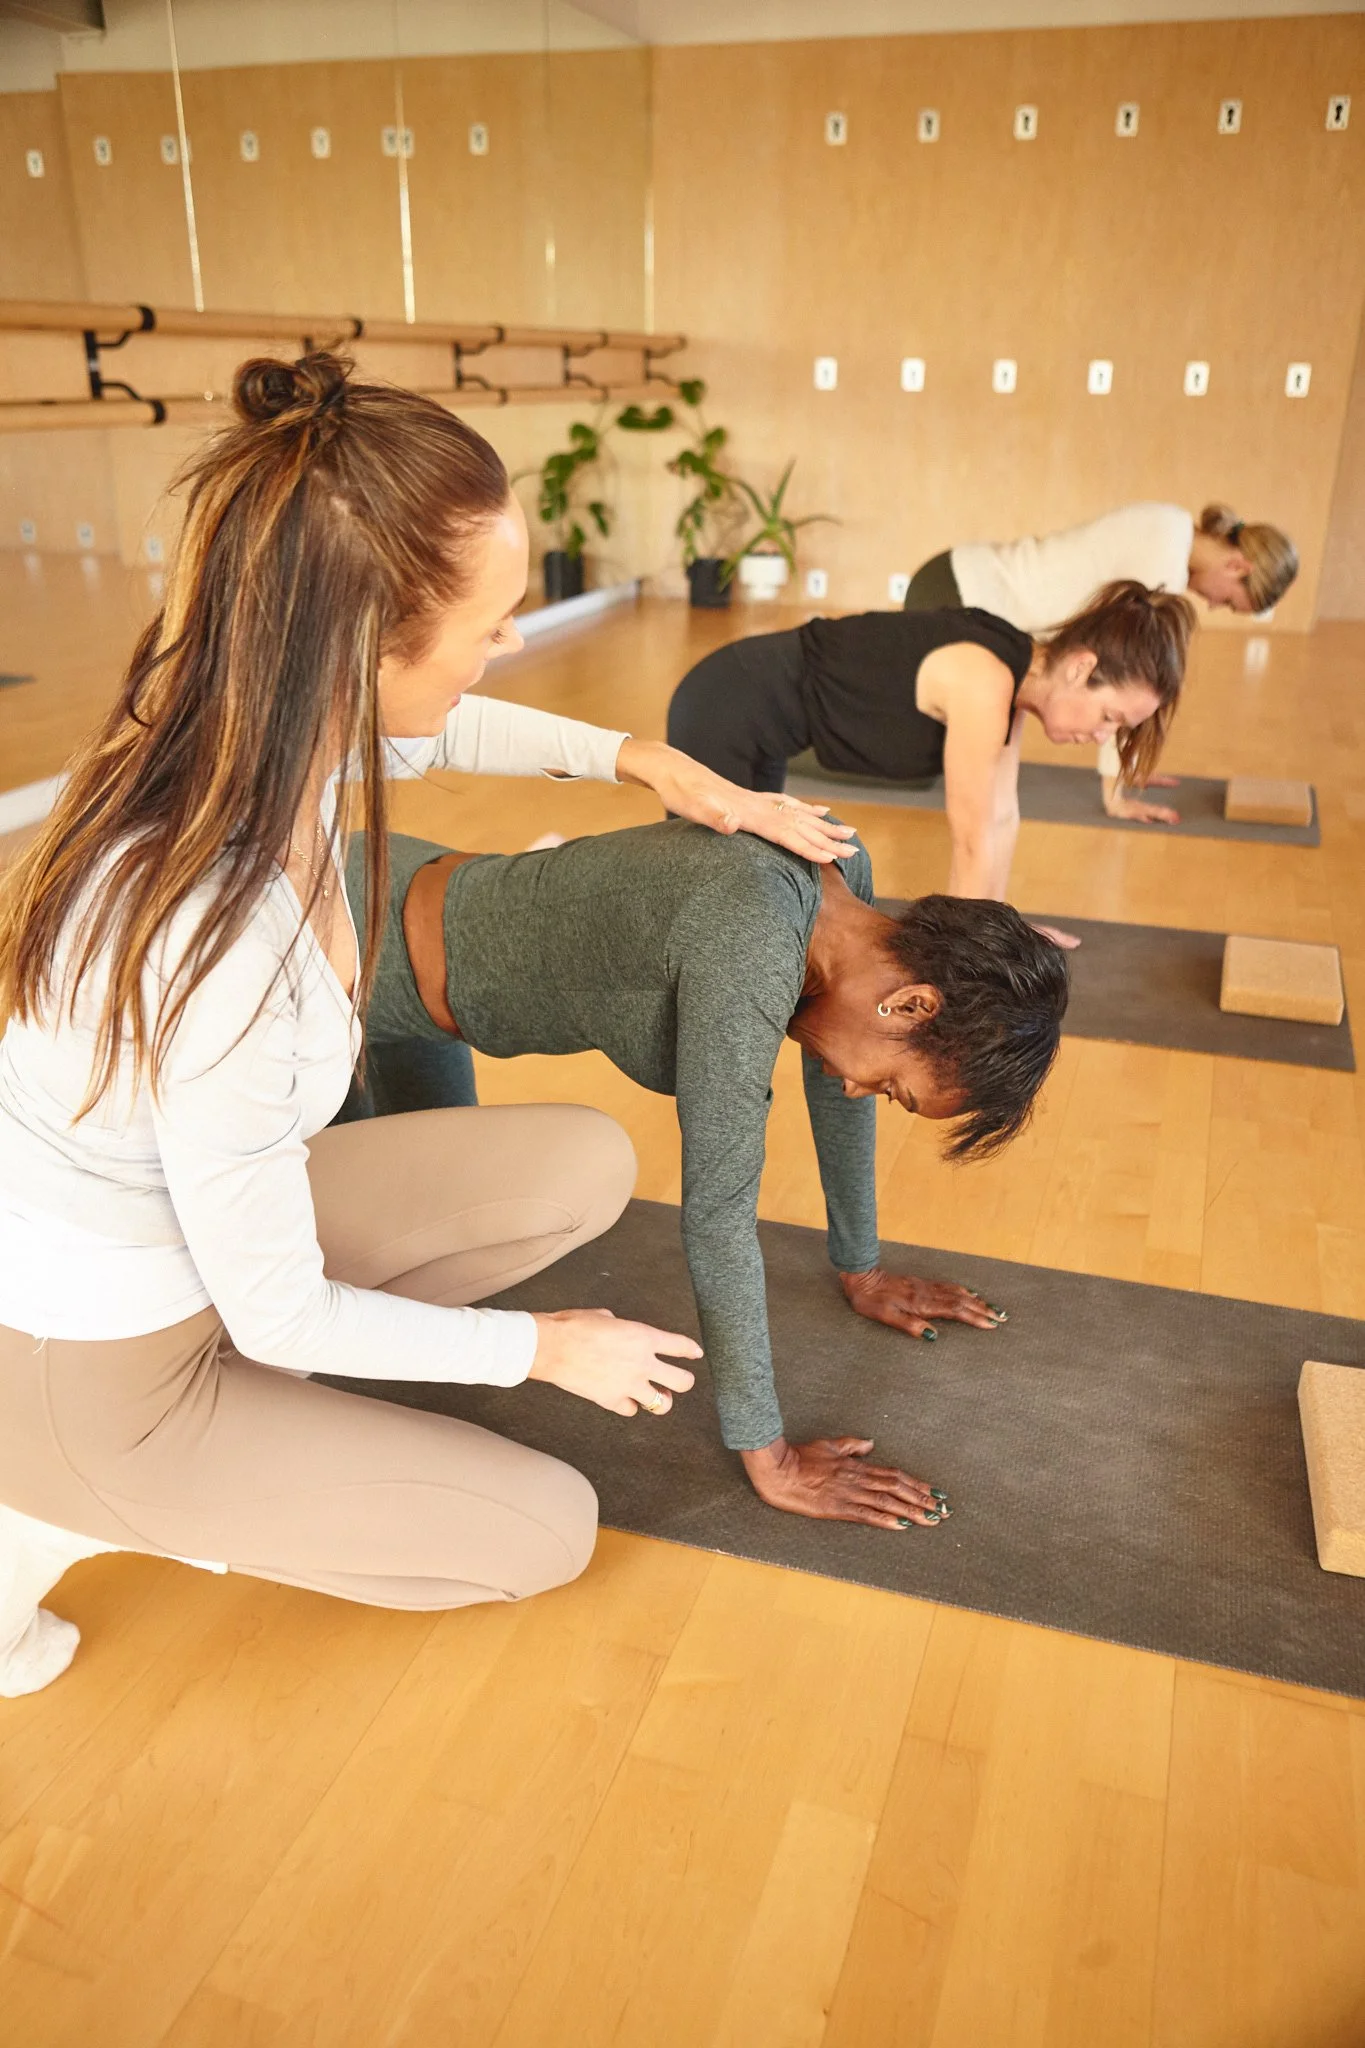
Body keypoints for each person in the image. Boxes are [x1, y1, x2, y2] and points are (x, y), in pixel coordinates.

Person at [0, 351, 856, 1700]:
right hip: (93, 1378)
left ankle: (246, 1443)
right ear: (356, 649)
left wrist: (652, 765)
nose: (511, 641)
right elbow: (277, 1311)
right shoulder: (208, 931)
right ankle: (42, 1515)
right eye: (490, 622)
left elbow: (452, 731)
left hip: (202, 1246)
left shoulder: (242, 712)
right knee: (544, 1530)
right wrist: (542, 1352)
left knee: (580, 1161)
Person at [342, 816, 1069, 1529]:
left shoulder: (838, 875)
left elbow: (832, 1088)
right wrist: (771, 1456)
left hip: (405, 927)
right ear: (910, 1003)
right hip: (341, 956)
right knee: (343, 1275)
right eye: (891, 1086)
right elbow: (719, 1213)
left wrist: (861, 1266)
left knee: (452, 1224)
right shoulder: (749, 944)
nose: (859, 1091)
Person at [666, 581, 1195, 947]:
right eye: (1110, 717)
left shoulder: (1015, 682)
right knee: (709, 903)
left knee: (750, 890)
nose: (1103, 735)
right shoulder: (985, 679)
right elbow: (970, 838)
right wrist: (969, 968)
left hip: (763, 726)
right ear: (1082, 668)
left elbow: (1001, 819)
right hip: (726, 704)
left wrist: (1003, 934)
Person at [902, 501, 1298, 823]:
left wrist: (1132, 767)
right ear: (1237, 567)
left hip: (960, 580)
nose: (1212, 604)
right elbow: (1123, 685)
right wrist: (1117, 795)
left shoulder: (1172, 527)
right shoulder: (1163, 565)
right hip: (956, 593)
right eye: (1227, 600)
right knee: (922, 766)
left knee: (961, 758)